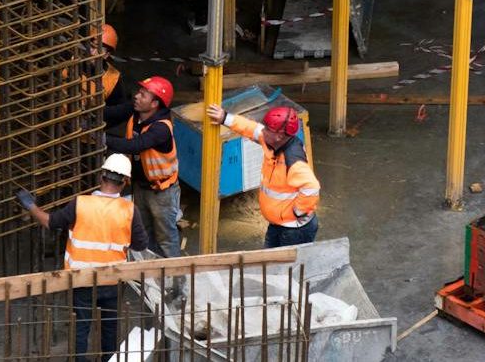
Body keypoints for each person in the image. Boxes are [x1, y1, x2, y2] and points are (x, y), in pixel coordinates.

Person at [17, 154, 151, 361]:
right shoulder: (129, 210)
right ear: (124, 183)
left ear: (101, 177)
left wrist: (31, 206)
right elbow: (141, 244)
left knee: (81, 326)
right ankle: (109, 358)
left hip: (82, 279)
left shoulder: (80, 204)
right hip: (112, 280)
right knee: (110, 327)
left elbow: (50, 222)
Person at [205, 104, 321, 248]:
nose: (262, 130)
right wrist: (225, 118)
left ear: (279, 135)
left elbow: (312, 187)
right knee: (270, 264)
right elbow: (251, 129)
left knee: (288, 269)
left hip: (294, 231)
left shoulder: (293, 160)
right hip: (278, 224)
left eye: (267, 129)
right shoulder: (275, 140)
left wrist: (297, 212)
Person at [102, 76, 182, 262]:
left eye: (143, 95)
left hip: (162, 192)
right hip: (141, 187)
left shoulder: (161, 129)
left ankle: (179, 286)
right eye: (139, 92)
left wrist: (102, 138)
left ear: (155, 104)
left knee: (166, 241)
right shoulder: (136, 113)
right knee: (144, 236)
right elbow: (112, 113)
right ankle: (152, 281)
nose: (137, 96)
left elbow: (135, 145)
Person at [98, 24, 134, 136]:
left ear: (107, 54)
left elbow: (121, 111)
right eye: (91, 46)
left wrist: (97, 120)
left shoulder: (112, 78)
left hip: (88, 138)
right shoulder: (72, 62)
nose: (92, 52)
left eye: (98, 49)